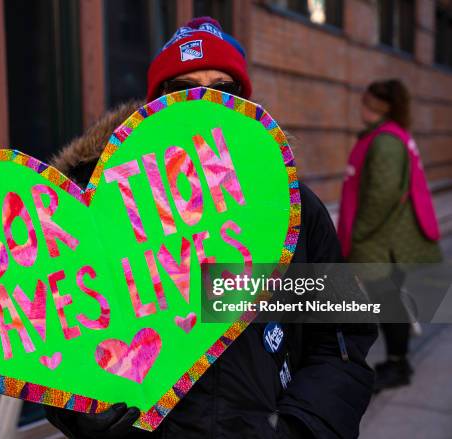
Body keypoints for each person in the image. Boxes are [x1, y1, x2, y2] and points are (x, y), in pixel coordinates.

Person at [46, 17, 377, 438]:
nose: (203, 102)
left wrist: (300, 428)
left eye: (223, 89)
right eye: (183, 89)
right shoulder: (101, 215)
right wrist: (82, 409)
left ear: (243, 103)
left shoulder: (290, 209)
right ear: (154, 107)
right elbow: (52, 341)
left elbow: (341, 337)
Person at [337, 79, 442, 392]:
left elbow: (381, 196)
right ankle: (398, 361)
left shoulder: (385, 142)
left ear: (378, 106)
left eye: (366, 102)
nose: (361, 107)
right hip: (384, 240)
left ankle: (398, 365)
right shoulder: (387, 136)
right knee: (390, 301)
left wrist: (358, 234)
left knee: (389, 302)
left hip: (381, 243)